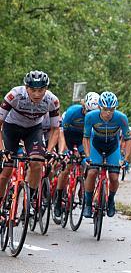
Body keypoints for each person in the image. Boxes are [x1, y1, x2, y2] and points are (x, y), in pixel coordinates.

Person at [0, 71, 60, 215]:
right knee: (7, 169)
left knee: (37, 163)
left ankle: (30, 199)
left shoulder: (52, 100)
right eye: (33, 90)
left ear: (46, 88)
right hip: (11, 128)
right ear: (26, 87)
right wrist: (2, 150)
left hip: (33, 130)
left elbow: (55, 129)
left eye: (41, 90)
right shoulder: (14, 95)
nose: (37, 94)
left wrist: (50, 150)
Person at [82, 92, 130, 218]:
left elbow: (128, 139)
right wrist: (87, 156)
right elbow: (86, 138)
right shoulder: (90, 117)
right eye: (105, 109)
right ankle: (87, 203)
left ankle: (111, 201)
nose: (108, 113)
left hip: (113, 147)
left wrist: (125, 159)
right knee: (92, 172)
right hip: (96, 146)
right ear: (99, 107)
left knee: (114, 177)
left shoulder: (121, 118)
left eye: (112, 109)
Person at [53, 92, 100, 219]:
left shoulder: (97, 117)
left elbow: (92, 138)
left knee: (89, 164)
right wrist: (65, 151)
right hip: (67, 137)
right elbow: (61, 132)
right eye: (89, 111)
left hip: (81, 139)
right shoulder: (73, 112)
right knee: (67, 167)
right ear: (84, 107)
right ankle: (58, 199)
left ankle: (83, 190)